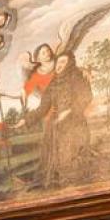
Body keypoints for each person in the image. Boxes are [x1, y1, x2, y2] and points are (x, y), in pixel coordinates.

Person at [34, 52, 93, 188]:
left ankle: (75, 186)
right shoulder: (53, 83)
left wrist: (68, 111)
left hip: (74, 123)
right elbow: (43, 108)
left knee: (71, 157)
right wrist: (26, 120)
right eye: (58, 62)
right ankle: (57, 183)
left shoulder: (77, 77)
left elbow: (86, 96)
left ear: (69, 64)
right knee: (54, 158)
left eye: (63, 62)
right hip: (55, 126)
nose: (59, 65)